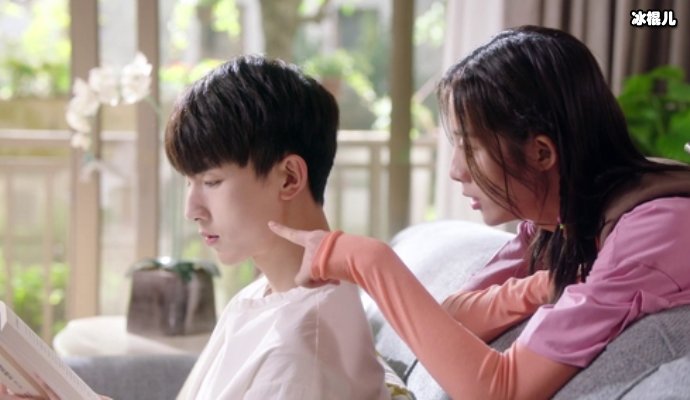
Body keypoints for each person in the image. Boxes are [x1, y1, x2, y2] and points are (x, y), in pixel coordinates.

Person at [269, 25, 690, 400]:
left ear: (541, 152)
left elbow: (500, 389)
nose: (456, 170)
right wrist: (540, 287)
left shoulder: (655, 230)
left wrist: (368, 260)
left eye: (470, 147)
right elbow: (451, 317)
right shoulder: (557, 223)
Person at [164, 55, 392, 399]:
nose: (191, 210)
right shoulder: (265, 295)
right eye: (188, 182)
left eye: (211, 181)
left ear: (289, 178)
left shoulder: (299, 355)